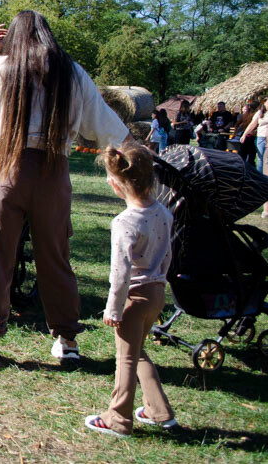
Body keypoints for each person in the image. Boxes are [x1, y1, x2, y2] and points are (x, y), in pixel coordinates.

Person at [0, 10, 130, 369]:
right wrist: (135, 153)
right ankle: (67, 340)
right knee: (55, 256)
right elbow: (104, 122)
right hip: (54, 171)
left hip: (7, 168)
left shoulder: (4, 67)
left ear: (13, 37)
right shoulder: (71, 71)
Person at [85, 143, 176, 438]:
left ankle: (118, 419)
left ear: (115, 184)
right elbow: (168, 254)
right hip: (157, 294)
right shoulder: (163, 212)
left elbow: (120, 273)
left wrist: (113, 307)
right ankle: (158, 411)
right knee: (136, 353)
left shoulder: (124, 222)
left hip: (133, 298)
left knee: (125, 360)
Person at [239, 96, 268, 217]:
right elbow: (253, 124)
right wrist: (244, 135)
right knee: (260, 163)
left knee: (266, 166)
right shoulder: (260, 113)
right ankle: (260, 186)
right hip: (260, 140)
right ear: (265, 103)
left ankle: (266, 206)